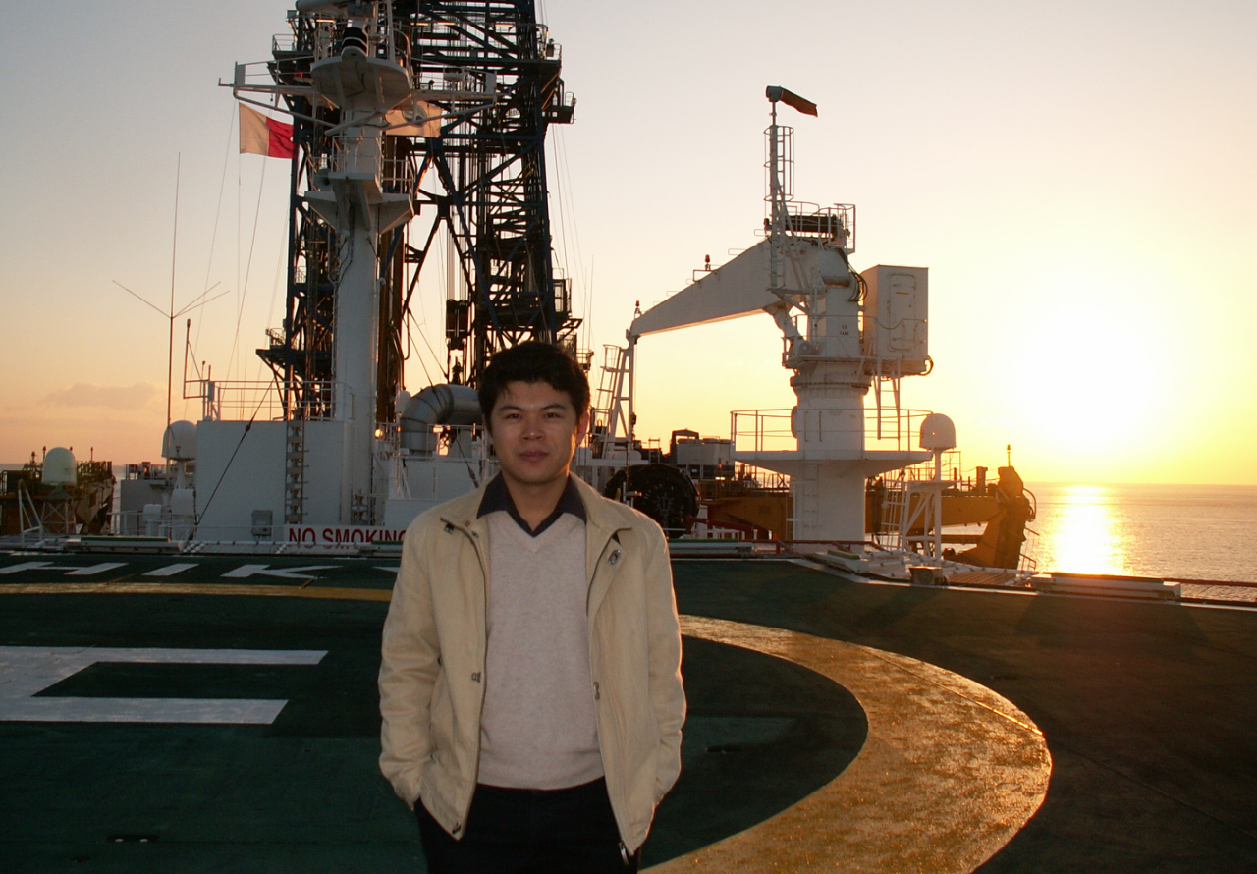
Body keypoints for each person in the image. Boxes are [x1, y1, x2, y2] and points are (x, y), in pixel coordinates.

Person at [379, 341, 685, 873]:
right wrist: (414, 780)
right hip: (467, 812)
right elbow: (407, 665)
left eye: (551, 414)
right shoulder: (435, 536)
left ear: (580, 425)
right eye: (513, 415)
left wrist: (652, 778)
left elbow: (662, 672)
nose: (532, 432)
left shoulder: (636, 540)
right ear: (488, 427)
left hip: (598, 809)